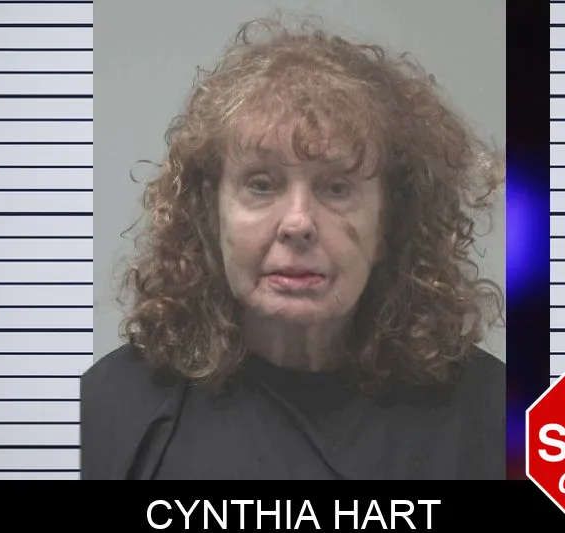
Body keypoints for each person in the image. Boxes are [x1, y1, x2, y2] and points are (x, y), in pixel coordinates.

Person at [82, 16, 505, 480]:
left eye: (337, 187)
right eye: (261, 184)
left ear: (389, 221)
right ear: (209, 212)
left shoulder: (502, 416)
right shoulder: (110, 412)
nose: (298, 222)